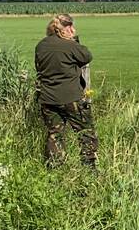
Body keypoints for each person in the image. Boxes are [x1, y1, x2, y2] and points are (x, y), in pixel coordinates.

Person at [34, 14, 98, 169]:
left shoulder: (41, 45)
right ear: (66, 29)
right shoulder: (69, 45)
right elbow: (87, 56)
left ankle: (55, 167)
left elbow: (38, 67)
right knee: (86, 132)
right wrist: (73, 40)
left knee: (55, 134)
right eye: (71, 27)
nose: (73, 30)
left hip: (48, 98)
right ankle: (89, 168)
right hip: (71, 97)